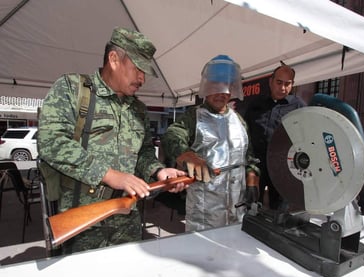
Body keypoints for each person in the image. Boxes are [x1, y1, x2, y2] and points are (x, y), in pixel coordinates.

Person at [37, 27, 187, 254]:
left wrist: (159, 172)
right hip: (82, 221)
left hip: (127, 220)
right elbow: (51, 141)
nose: (142, 78)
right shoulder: (72, 89)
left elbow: (144, 153)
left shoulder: (138, 109)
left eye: (145, 72)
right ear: (114, 59)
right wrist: (110, 175)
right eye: (138, 68)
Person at [161, 55, 260, 232]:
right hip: (204, 212)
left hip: (237, 211)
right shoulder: (194, 117)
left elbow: (249, 157)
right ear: (207, 87)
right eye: (216, 86)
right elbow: (172, 135)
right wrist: (186, 154)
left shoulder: (239, 121)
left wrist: (252, 180)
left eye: (225, 87)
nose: (220, 93)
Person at [245, 64, 306, 210]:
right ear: (271, 82)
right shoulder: (256, 104)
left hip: (283, 170)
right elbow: (245, 133)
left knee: (280, 211)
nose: (283, 88)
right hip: (257, 167)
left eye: (287, 84)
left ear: (292, 85)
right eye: (279, 83)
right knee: (251, 208)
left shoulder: (299, 108)